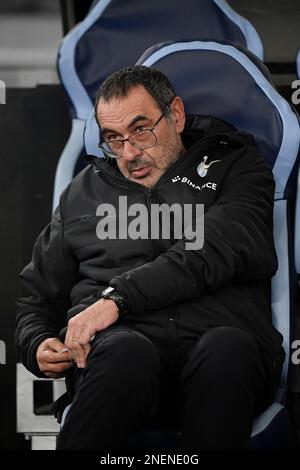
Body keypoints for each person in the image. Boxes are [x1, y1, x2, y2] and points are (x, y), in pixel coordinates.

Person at [16, 65, 285, 450]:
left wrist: (117, 300)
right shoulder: (83, 193)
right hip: (119, 360)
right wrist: (37, 342)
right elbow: (37, 298)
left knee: (228, 348)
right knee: (125, 352)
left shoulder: (237, 168)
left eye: (141, 130)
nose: (129, 153)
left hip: (222, 356)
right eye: (113, 138)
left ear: (175, 114)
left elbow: (216, 248)